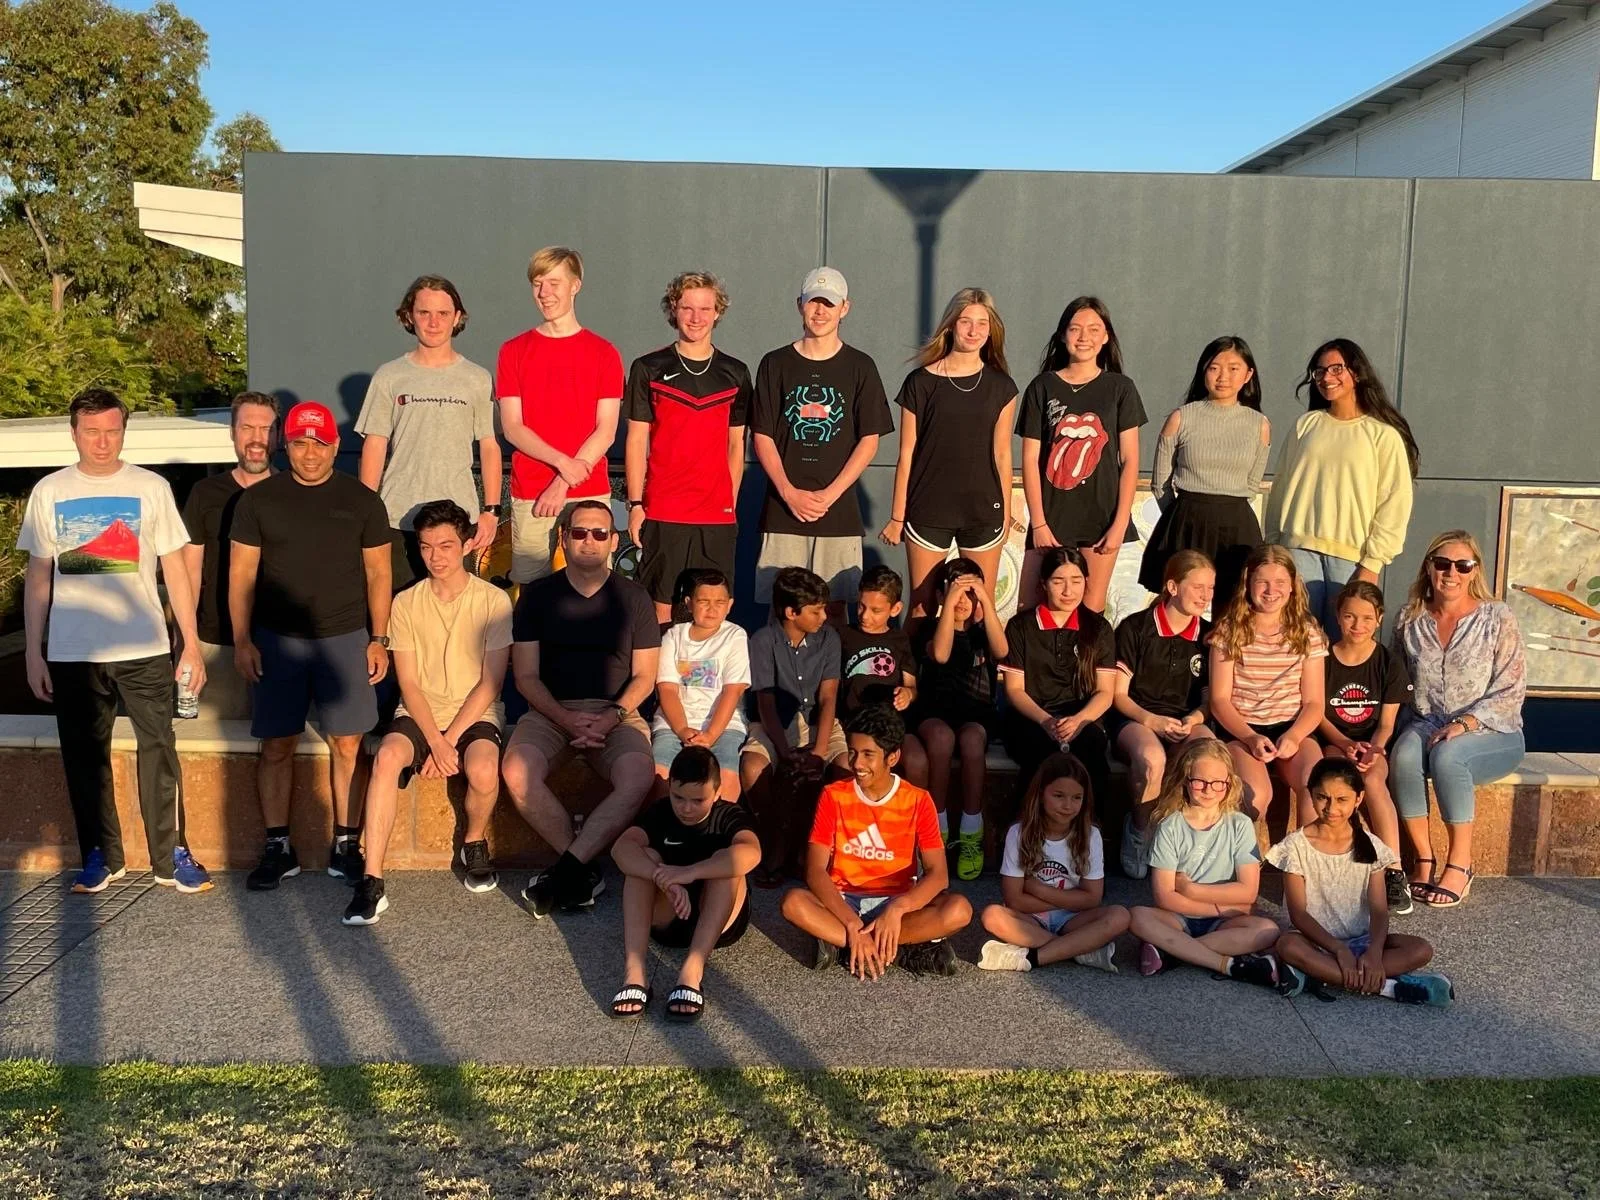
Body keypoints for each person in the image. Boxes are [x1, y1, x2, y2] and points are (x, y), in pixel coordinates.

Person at [19, 388, 212, 894]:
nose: (102, 442)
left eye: (112, 430)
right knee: (85, 757)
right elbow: (39, 577)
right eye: (92, 431)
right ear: (74, 433)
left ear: (123, 431)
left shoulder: (151, 488)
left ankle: (172, 855)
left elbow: (175, 566)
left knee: (160, 750)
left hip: (144, 647)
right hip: (72, 653)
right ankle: (101, 855)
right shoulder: (49, 491)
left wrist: (189, 642)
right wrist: (34, 651)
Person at [230, 401, 393, 890]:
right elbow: (241, 575)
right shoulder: (259, 501)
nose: (309, 453)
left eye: (319, 443)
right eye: (300, 442)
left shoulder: (363, 501)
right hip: (277, 642)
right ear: (287, 444)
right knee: (277, 745)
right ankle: (278, 847)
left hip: (344, 639)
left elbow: (379, 572)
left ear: (335, 446)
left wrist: (379, 638)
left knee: (348, 745)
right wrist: (242, 639)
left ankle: (347, 843)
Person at [343, 501, 513, 926]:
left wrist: (449, 740)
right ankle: (371, 879)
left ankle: (473, 842)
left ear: (467, 544)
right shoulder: (406, 602)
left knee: (484, 767)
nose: (436, 556)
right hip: (420, 712)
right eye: (426, 547)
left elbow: (490, 682)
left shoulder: (493, 601)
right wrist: (434, 742)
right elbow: (410, 684)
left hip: (474, 711)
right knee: (385, 758)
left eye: (446, 545)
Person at [502, 501, 660, 915]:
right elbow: (526, 678)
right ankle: (583, 868)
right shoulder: (537, 597)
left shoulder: (635, 597)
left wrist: (612, 716)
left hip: (619, 712)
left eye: (599, 534)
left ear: (613, 541)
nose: (589, 541)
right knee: (516, 771)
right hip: (550, 712)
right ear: (563, 537)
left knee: (639, 773)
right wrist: (565, 717)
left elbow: (645, 676)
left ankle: (567, 870)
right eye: (579, 532)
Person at [780, 706, 972, 978]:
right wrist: (852, 923)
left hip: (897, 901)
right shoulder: (833, 795)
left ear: (893, 757)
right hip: (844, 901)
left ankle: (848, 947)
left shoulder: (918, 800)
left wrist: (897, 909)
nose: (857, 763)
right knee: (793, 903)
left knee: (958, 911)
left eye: (868, 754)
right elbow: (814, 871)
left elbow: (938, 875)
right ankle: (895, 949)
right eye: (853, 752)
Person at [1391, 530, 1527, 910]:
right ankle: (1423, 859)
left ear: (1474, 571)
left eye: (1462, 565)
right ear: (1429, 567)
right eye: (1442, 563)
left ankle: (1460, 864)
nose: (1451, 572)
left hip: (1492, 729)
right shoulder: (1409, 619)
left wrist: (1465, 723)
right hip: (1426, 721)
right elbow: (1396, 682)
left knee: (1450, 756)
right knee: (1402, 755)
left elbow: (1511, 689)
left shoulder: (1497, 616)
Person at [750, 267, 894, 615]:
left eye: (829, 303)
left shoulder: (861, 366)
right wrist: (788, 492)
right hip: (785, 510)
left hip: (838, 510)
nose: (820, 311)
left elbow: (869, 440)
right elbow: (763, 435)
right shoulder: (775, 363)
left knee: (833, 609)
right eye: (813, 301)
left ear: (845, 308)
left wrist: (829, 495)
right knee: (784, 608)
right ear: (799, 304)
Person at [1264, 338, 1419, 638]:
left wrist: (1372, 564)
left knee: (1344, 646)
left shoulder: (1382, 436)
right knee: (1297, 641)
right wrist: (1274, 546)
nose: (1326, 377)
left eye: (1336, 368)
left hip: (1352, 558)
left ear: (1356, 373)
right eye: (1319, 371)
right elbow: (1281, 487)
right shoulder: (1305, 425)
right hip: (1296, 550)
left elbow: (1395, 503)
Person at [878, 287, 1019, 616]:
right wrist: (898, 516)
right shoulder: (920, 383)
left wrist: (1006, 512)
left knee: (980, 606)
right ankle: (917, 669)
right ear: (951, 325)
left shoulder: (1002, 387)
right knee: (922, 606)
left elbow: (1002, 455)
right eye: (965, 321)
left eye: (982, 323)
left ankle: (976, 669)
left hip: (983, 511)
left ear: (991, 329)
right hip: (929, 508)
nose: (973, 330)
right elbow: (907, 454)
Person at [356, 275, 502, 591]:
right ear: (409, 316)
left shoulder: (476, 378)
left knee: (453, 614)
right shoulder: (389, 375)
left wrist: (491, 510)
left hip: (457, 521)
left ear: (458, 317)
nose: (433, 322)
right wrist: (365, 510)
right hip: (396, 518)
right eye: (424, 313)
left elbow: (489, 445)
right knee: (396, 609)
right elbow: (375, 443)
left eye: (443, 314)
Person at [1269, 759, 1453, 1005]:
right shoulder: (1294, 847)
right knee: (1287, 945)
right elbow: (1298, 915)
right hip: (1315, 942)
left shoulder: (1370, 845)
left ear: (1358, 799)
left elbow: (1378, 910)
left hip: (1361, 941)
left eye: (1342, 799)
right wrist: (1338, 949)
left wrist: (1374, 953)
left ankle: (1321, 976)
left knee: (1421, 949)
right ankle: (1388, 987)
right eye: (1322, 797)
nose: (1331, 807)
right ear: (1311, 795)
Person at [624, 271, 752, 624]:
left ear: (717, 312)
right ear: (673, 310)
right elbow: (636, 441)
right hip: (664, 508)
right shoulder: (647, 368)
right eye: (687, 308)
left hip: (716, 514)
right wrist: (636, 504)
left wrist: (729, 501)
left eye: (705, 308)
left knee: (713, 608)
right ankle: (658, 680)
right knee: (660, 608)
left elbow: (735, 444)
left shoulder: (736, 372)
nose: (696, 318)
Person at [495, 247, 624, 584]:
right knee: (531, 594)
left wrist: (563, 481)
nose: (544, 293)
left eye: (553, 283)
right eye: (537, 284)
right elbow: (512, 427)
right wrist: (562, 466)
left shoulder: (604, 353)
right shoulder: (513, 350)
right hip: (531, 492)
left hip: (589, 490)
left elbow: (606, 430)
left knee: (594, 589)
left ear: (575, 286)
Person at [609, 745, 761, 1022]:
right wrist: (662, 877)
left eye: (698, 800)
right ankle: (635, 972)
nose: (686, 808)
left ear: (717, 793)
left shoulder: (728, 814)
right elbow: (621, 848)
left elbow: (752, 852)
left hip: (719, 919)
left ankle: (692, 972)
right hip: (669, 915)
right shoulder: (661, 811)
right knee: (642, 861)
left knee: (728, 862)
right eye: (679, 797)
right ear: (669, 788)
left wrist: (691, 872)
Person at [1018, 296, 1146, 614]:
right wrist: (1039, 523)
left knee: (1089, 609)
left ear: (1106, 337)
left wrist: (1119, 524)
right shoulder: (1042, 386)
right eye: (1075, 329)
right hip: (1050, 516)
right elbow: (1031, 459)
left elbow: (1129, 460)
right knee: (1031, 606)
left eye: (1093, 329)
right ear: (1063, 335)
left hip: (1101, 516)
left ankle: (1086, 666)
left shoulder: (1120, 388)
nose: (1083, 337)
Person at [1127, 739, 1280, 985]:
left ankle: (1172, 953)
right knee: (1136, 916)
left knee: (1268, 930)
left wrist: (1191, 889)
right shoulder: (1171, 825)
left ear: (1229, 784)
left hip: (1224, 922)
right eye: (1200, 782)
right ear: (1186, 781)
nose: (1209, 790)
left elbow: (1248, 892)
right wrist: (1223, 905)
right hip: (1179, 917)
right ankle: (1228, 964)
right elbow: (1164, 897)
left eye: (1218, 783)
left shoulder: (1239, 824)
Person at [1139, 336, 1270, 610]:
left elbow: (1252, 482)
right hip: (1187, 521)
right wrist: (1179, 515)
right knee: (1180, 605)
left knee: (1233, 610)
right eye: (1215, 367)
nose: (1224, 376)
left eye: (1234, 368)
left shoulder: (1259, 424)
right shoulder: (1182, 417)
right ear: (1203, 371)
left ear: (1248, 375)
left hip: (1236, 525)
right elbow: (1160, 482)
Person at [1111, 550, 1216, 880]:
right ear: (1172, 586)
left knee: (1211, 755)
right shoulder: (1135, 628)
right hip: (1135, 717)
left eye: (1210, 588)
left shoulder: (1210, 636)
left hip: (1184, 720)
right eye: (1197, 587)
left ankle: (1193, 841)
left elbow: (1211, 701)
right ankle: (1140, 831)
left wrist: (1195, 719)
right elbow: (1118, 696)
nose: (1205, 596)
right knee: (1152, 757)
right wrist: (1151, 720)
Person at [1207, 544, 1327, 829]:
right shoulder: (1229, 631)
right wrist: (1249, 737)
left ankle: (1303, 866)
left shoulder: (1307, 632)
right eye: (1262, 582)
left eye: (1280, 583)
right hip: (1242, 730)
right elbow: (1219, 700)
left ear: (1292, 587)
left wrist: (1295, 736)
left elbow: (1314, 703)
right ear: (1248, 583)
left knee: (1317, 784)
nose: (1271, 591)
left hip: (1290, 727)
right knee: (1256, 795)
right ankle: (1244, 864)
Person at [739, 566, 846, 885]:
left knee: (844, 771)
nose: (824, 617)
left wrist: (820, 751)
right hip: (773, 726)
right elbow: (766, 704)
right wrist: (784, 753)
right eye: (815, 611)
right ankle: (773, 842)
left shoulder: (830, 638)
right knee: (753, 768)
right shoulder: (762, 641)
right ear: (791, 612)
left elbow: (828, 698)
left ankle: (816, 850)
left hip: (819, 723)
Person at [977, 753, 1129, 973]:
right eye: (1059, 795)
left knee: (1120, 916)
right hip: (1031, 918)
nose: (1068, 806)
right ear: (1040, 794)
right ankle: (1080, 950)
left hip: (1074, 919)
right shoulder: (1018, 833)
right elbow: (1014, 900)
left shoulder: (1090, 835)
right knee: (992, 915)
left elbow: (1093, 899)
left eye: (1077, 798)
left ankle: (1034, 956)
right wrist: (1071, 900)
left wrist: (1036, 888)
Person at [181, 390, 279, 720]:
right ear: (232, 433)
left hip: (282, 647)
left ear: (278, 434)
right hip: (216, 644)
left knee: (283, 752)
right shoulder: (205, 493)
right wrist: (188, 643)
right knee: (211, 747)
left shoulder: (294, 493)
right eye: (247, 428)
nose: (256, 439)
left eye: (266, 429)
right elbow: (189, 571)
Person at [999, 546, 1117, 814]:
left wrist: (1079, 721)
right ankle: (1027, 834)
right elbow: (1015, 690)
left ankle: (1090, 836)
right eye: (1058, 581)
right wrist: (1046, 721)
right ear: (1043, 584)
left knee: (1091, 752)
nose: (1068, 591)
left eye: (1076, 581)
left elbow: (1105, 693)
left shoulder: (1099, 629)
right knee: (1041, 754)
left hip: (1081, 718)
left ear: (1086, 582)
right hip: (1032, 718)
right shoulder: (1021, 626)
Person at [911, 556, 1008, 878]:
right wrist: (949, 602)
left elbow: (1003, 652)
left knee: (969, 740)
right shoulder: (928, 628)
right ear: (941, 596)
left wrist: (986, 603)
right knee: (942, 738)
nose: (963, 602)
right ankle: (935, 830)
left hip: (975, 714)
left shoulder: (984, 632)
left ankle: (971, 831)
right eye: (955, 593)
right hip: (934, 713)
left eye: (970, 594)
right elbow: (939, 654)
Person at [1318, 580, 1412, 913]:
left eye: (1367, 618)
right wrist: (1344, 744)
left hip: (1372, 744)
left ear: (1379, 618)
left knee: (1372, 780)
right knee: (1338, 781)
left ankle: (1394, 872)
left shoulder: (1388, 663)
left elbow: (1386, 723)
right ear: (1338, 617)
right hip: (1334, 741)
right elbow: (1317, 713)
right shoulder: (1323, 658)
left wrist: (1373, 749)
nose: (1358, 626)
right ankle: (1337, 868)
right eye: (1349, 617)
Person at [653, 569, 750, 801]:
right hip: (674, 724)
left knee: (726, 777)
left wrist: (710, 735)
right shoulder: (673, 636)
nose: (712, 609)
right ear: (688, 603)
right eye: (703, 601)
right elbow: (667, 689)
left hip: (724, 726)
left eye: (720, 602)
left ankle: (718, 829)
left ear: (730, 605)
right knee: (658, 776)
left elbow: (733, 690)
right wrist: (682, 730)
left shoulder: (735, 635)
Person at [838, 563, 921, 774]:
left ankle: (917, 807)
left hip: (889, 727)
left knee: (917, 760)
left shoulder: (900, 640)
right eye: (861, 606)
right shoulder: (843, 635)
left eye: (876, 610)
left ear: (895, 609)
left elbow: (912, 687)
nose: (865, 616)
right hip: (852, 725)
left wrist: (907, 695)